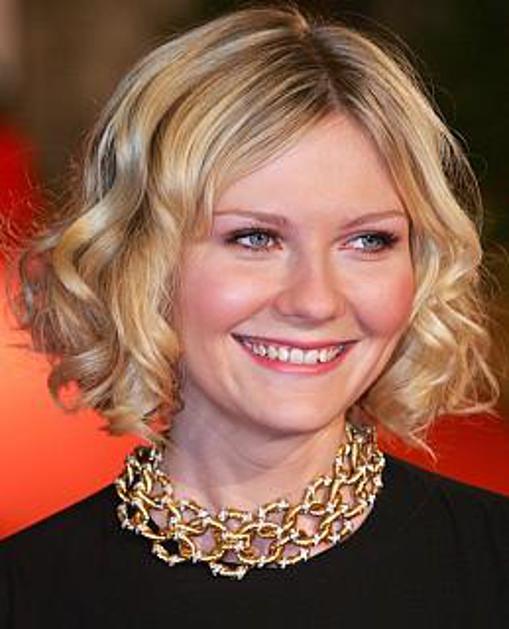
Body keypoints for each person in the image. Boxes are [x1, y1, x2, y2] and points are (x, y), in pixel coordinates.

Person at [1, 5, 508, 627]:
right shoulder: (24, 595)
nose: (316, 300)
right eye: (255, 238)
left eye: (368, 240)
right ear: (142, 261)